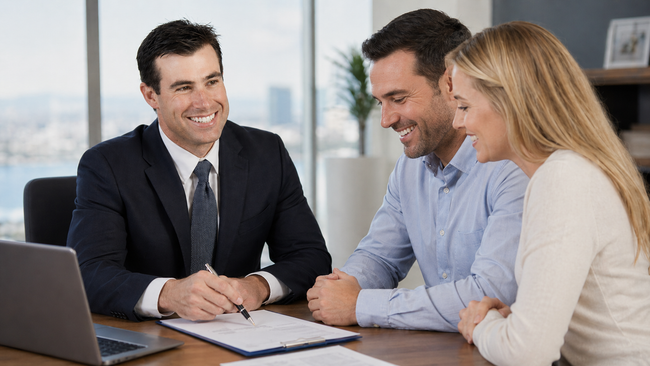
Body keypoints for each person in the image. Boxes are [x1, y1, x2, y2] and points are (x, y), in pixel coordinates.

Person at [67, 19, 331, 322]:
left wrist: (257, 286)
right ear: (151, 95)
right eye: (184, 87)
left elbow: (312, 258)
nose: (204, 102)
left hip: (240, 336)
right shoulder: (107, 165)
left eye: (212, 81)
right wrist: (169, 294)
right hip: (151, 341)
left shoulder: (267, 153)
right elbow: (88, 273)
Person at [306, 9, 529, 332]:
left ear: (451, 83)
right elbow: (381, 257)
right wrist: (341, 287)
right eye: (381, 102)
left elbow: (492, 293)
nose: (386, 119)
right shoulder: (409, 169)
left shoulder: (512, 166)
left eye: (397, 99)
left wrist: (360, 305)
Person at [449, 21, 650, 365]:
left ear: (510, 101)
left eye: (464, 106)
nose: (457, 122)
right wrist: (513, 319)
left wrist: (480, 324)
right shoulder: (569, 171)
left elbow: (527, 353)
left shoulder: (563, 179)